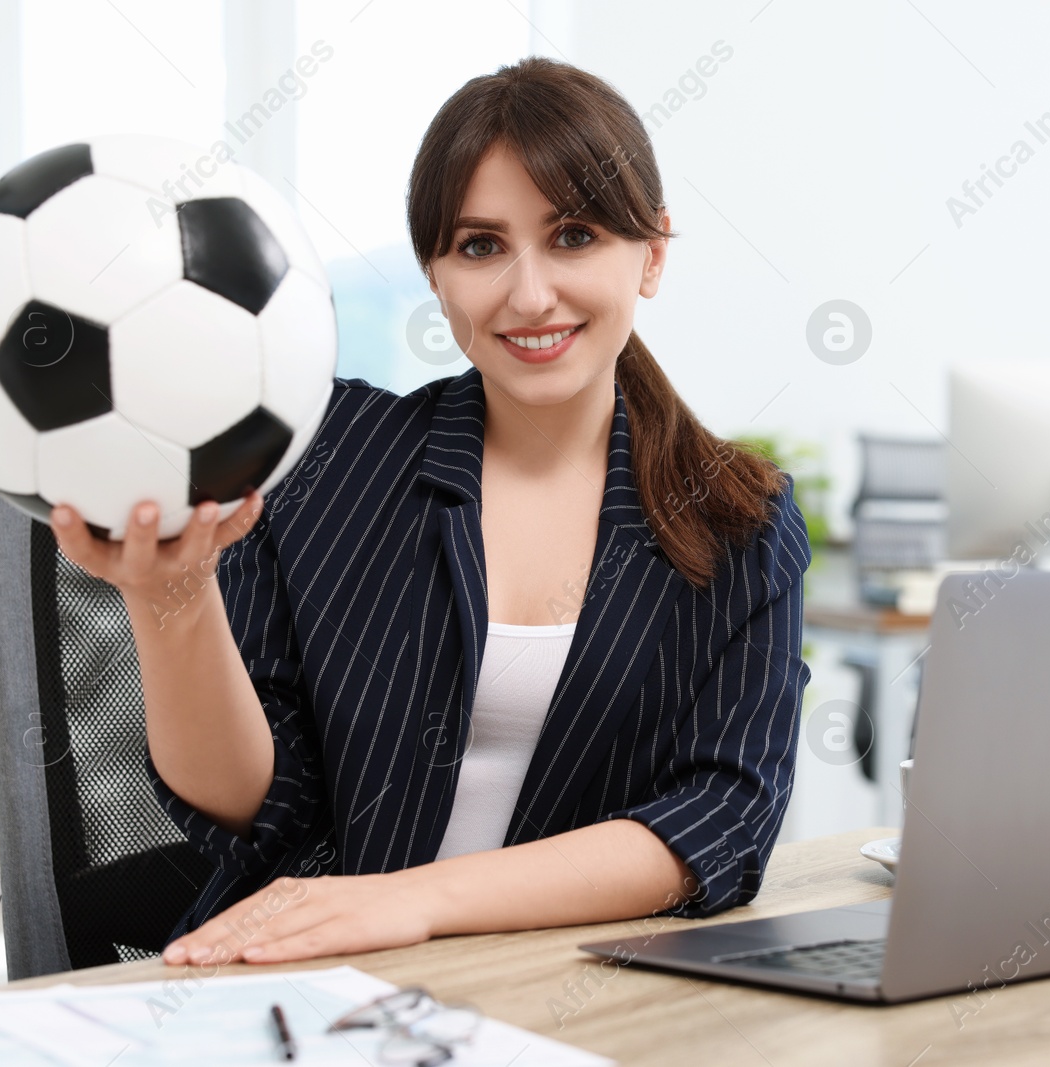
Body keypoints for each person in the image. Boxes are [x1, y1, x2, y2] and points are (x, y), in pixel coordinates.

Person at [48, 55, 812, 966]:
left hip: (558, 992)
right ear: (437, 275)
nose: (530, 295)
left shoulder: (739, 521)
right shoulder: (322, 455)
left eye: (574, 236)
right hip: (302, 981)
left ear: (650, 254)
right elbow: (256, 804)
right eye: (480, 246)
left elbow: (720, 818)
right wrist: (171, 601)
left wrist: (413, 902)